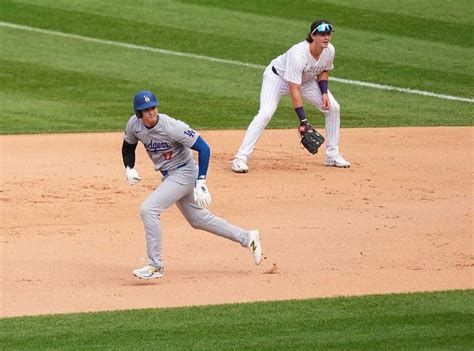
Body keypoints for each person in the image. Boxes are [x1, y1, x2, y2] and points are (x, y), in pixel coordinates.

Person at [122, 90, 263, 280]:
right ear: (138, 113)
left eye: (153, 107)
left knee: (148, 209)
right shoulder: (134, 125)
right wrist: (129, 167)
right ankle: (247, 237)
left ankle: (155, 265)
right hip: (170, 175)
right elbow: (128, 146)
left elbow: (203, 148)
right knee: (199, 220)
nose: (151, 112)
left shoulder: (172, 126)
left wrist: (201, 181)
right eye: (146, 110)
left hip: (185, 172)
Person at [232, 19, 350, 173]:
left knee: (333, 107)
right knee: (265, 113)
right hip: (277, 78)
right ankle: (240, 158)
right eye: (322, 34)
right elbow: (294, 89)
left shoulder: (329, 50)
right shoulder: (298, 54)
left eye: (328, 34)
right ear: (313, 36)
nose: (326, 37)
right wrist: (303, 121)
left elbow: (323, 70)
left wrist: (324, 92)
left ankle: (332, 155)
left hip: (306, 79)